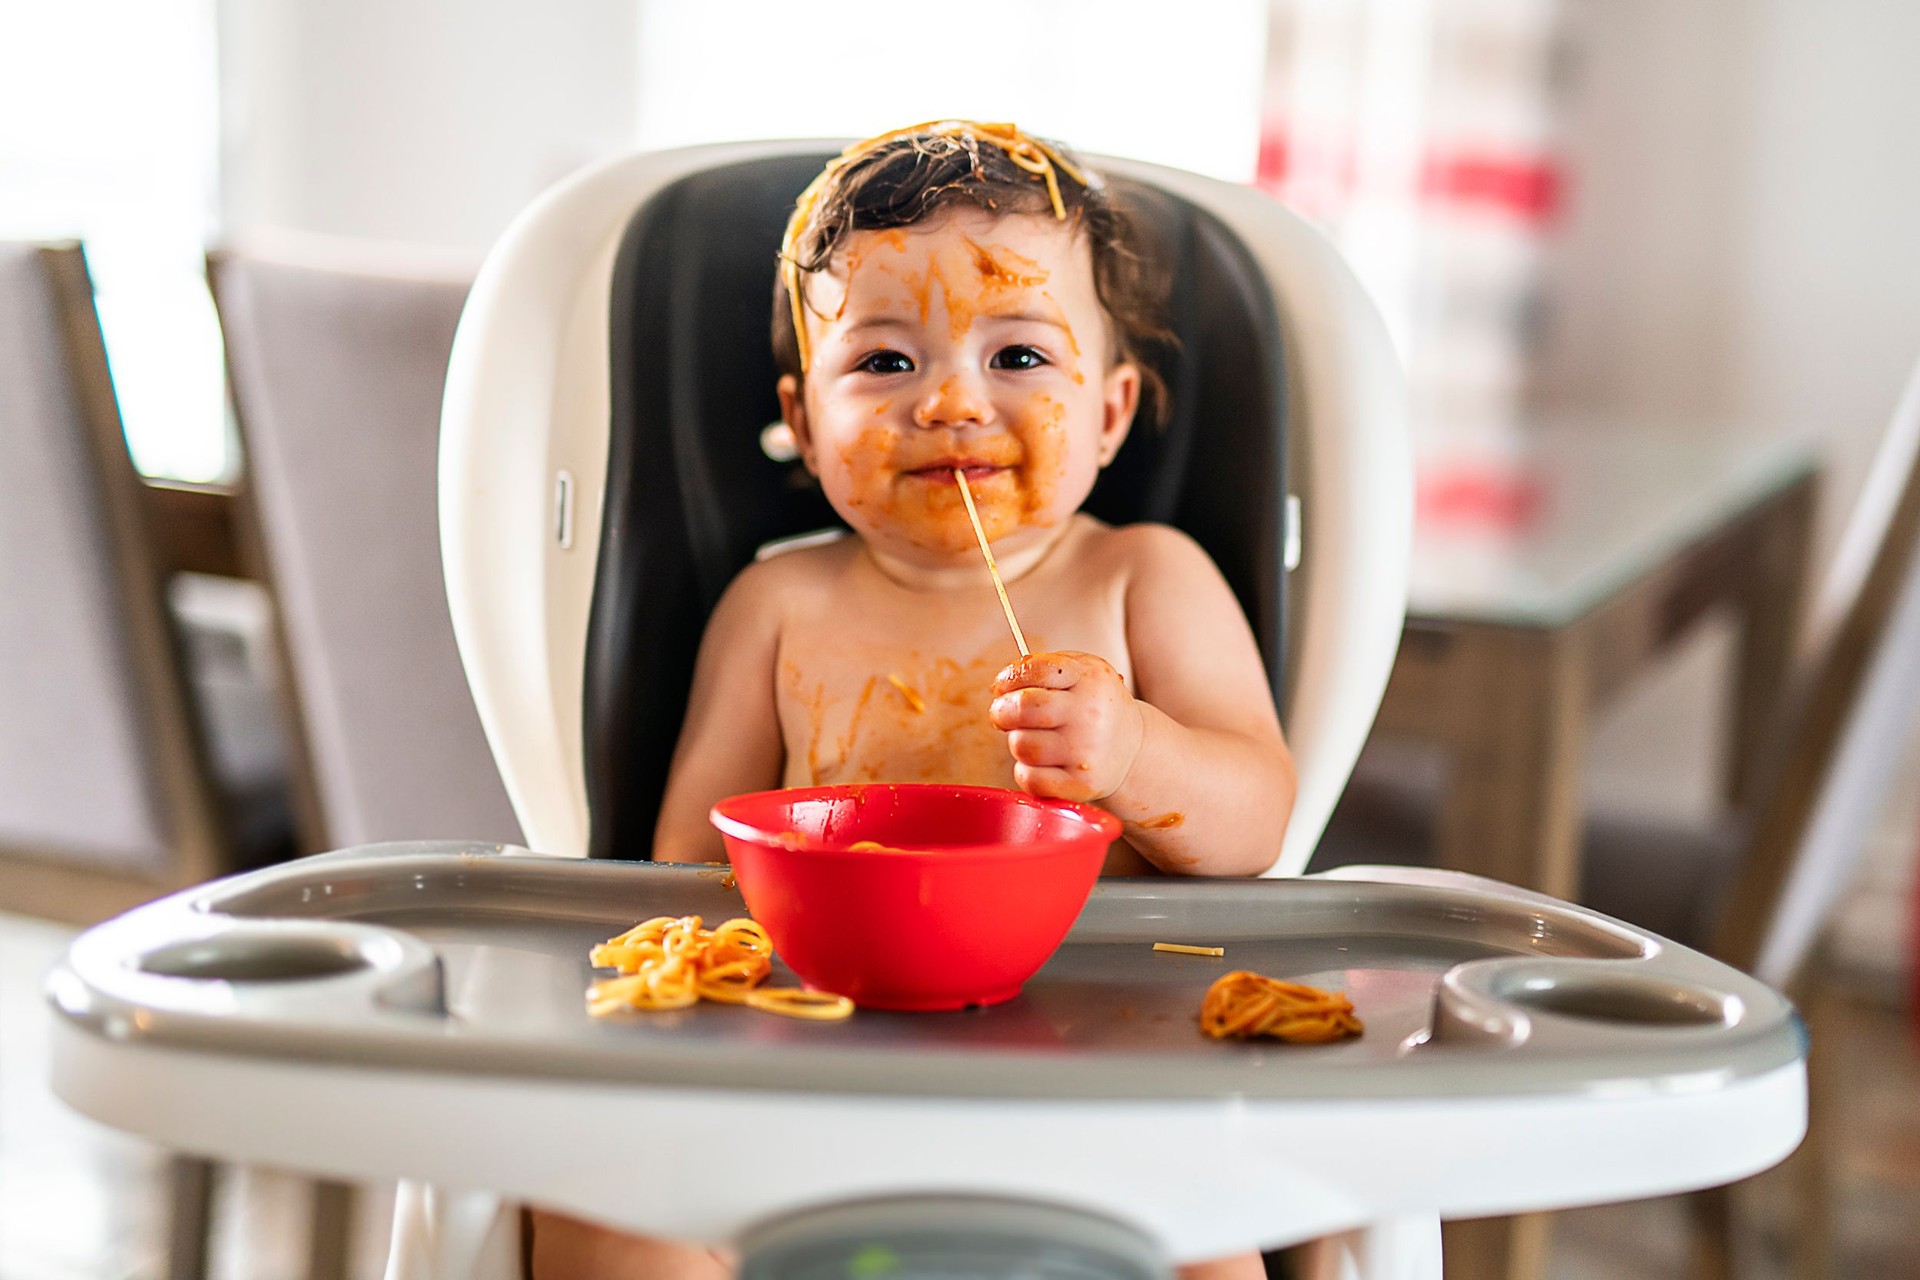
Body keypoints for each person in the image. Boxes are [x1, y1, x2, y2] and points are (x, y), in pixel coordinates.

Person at [531, 121, 1294, 1280]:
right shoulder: (774, 604)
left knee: (1213, 1255)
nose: (948, 402)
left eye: (1020, 356)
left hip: (1102, 1085)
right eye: (884, 362)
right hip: (803, 1080)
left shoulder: (1145, 580)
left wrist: (1134, 752)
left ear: (1112, 410)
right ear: (803, 415)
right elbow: (682, 872)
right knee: (591, 1217)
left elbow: (1256, 822)